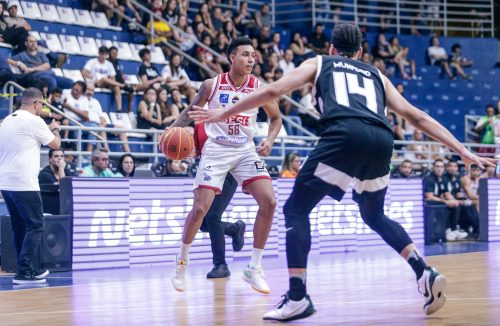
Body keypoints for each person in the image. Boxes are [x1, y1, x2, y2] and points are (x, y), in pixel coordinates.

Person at [188, 23, 496, 321]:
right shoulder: (378, 75)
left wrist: (223, 112)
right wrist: (463, 150)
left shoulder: (321, 62)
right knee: (374, 215)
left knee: (296, 210)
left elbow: (275, 91)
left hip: (344, 135)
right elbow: (416, 116)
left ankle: (297, 297)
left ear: (332, 48)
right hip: (382, 140)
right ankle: (424, 272)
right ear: (361, 52)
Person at [164, 36, 282, 293]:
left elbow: (276, 118)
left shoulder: (258, 87)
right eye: (245, 55)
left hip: (244, 150)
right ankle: (181, 262)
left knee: (270, 201)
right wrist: (169, 133)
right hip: (216, 149)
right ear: (231, 57)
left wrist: (270, 140)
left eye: (253, 55)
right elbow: (190, 112)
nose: (251, 59)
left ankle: (254, 267)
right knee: (200, 209)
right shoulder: (211, 85)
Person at [0, 87, 61, 284]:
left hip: (6, 182)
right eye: (41, 105)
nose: (41, 108)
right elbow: (56, 145)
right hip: (24, 182)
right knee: (36, 226)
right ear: (36, 104)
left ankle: (28, 268)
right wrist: (54, 129)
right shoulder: (34, 121)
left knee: (20, 227)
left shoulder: (8, 119)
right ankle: (24, 272)